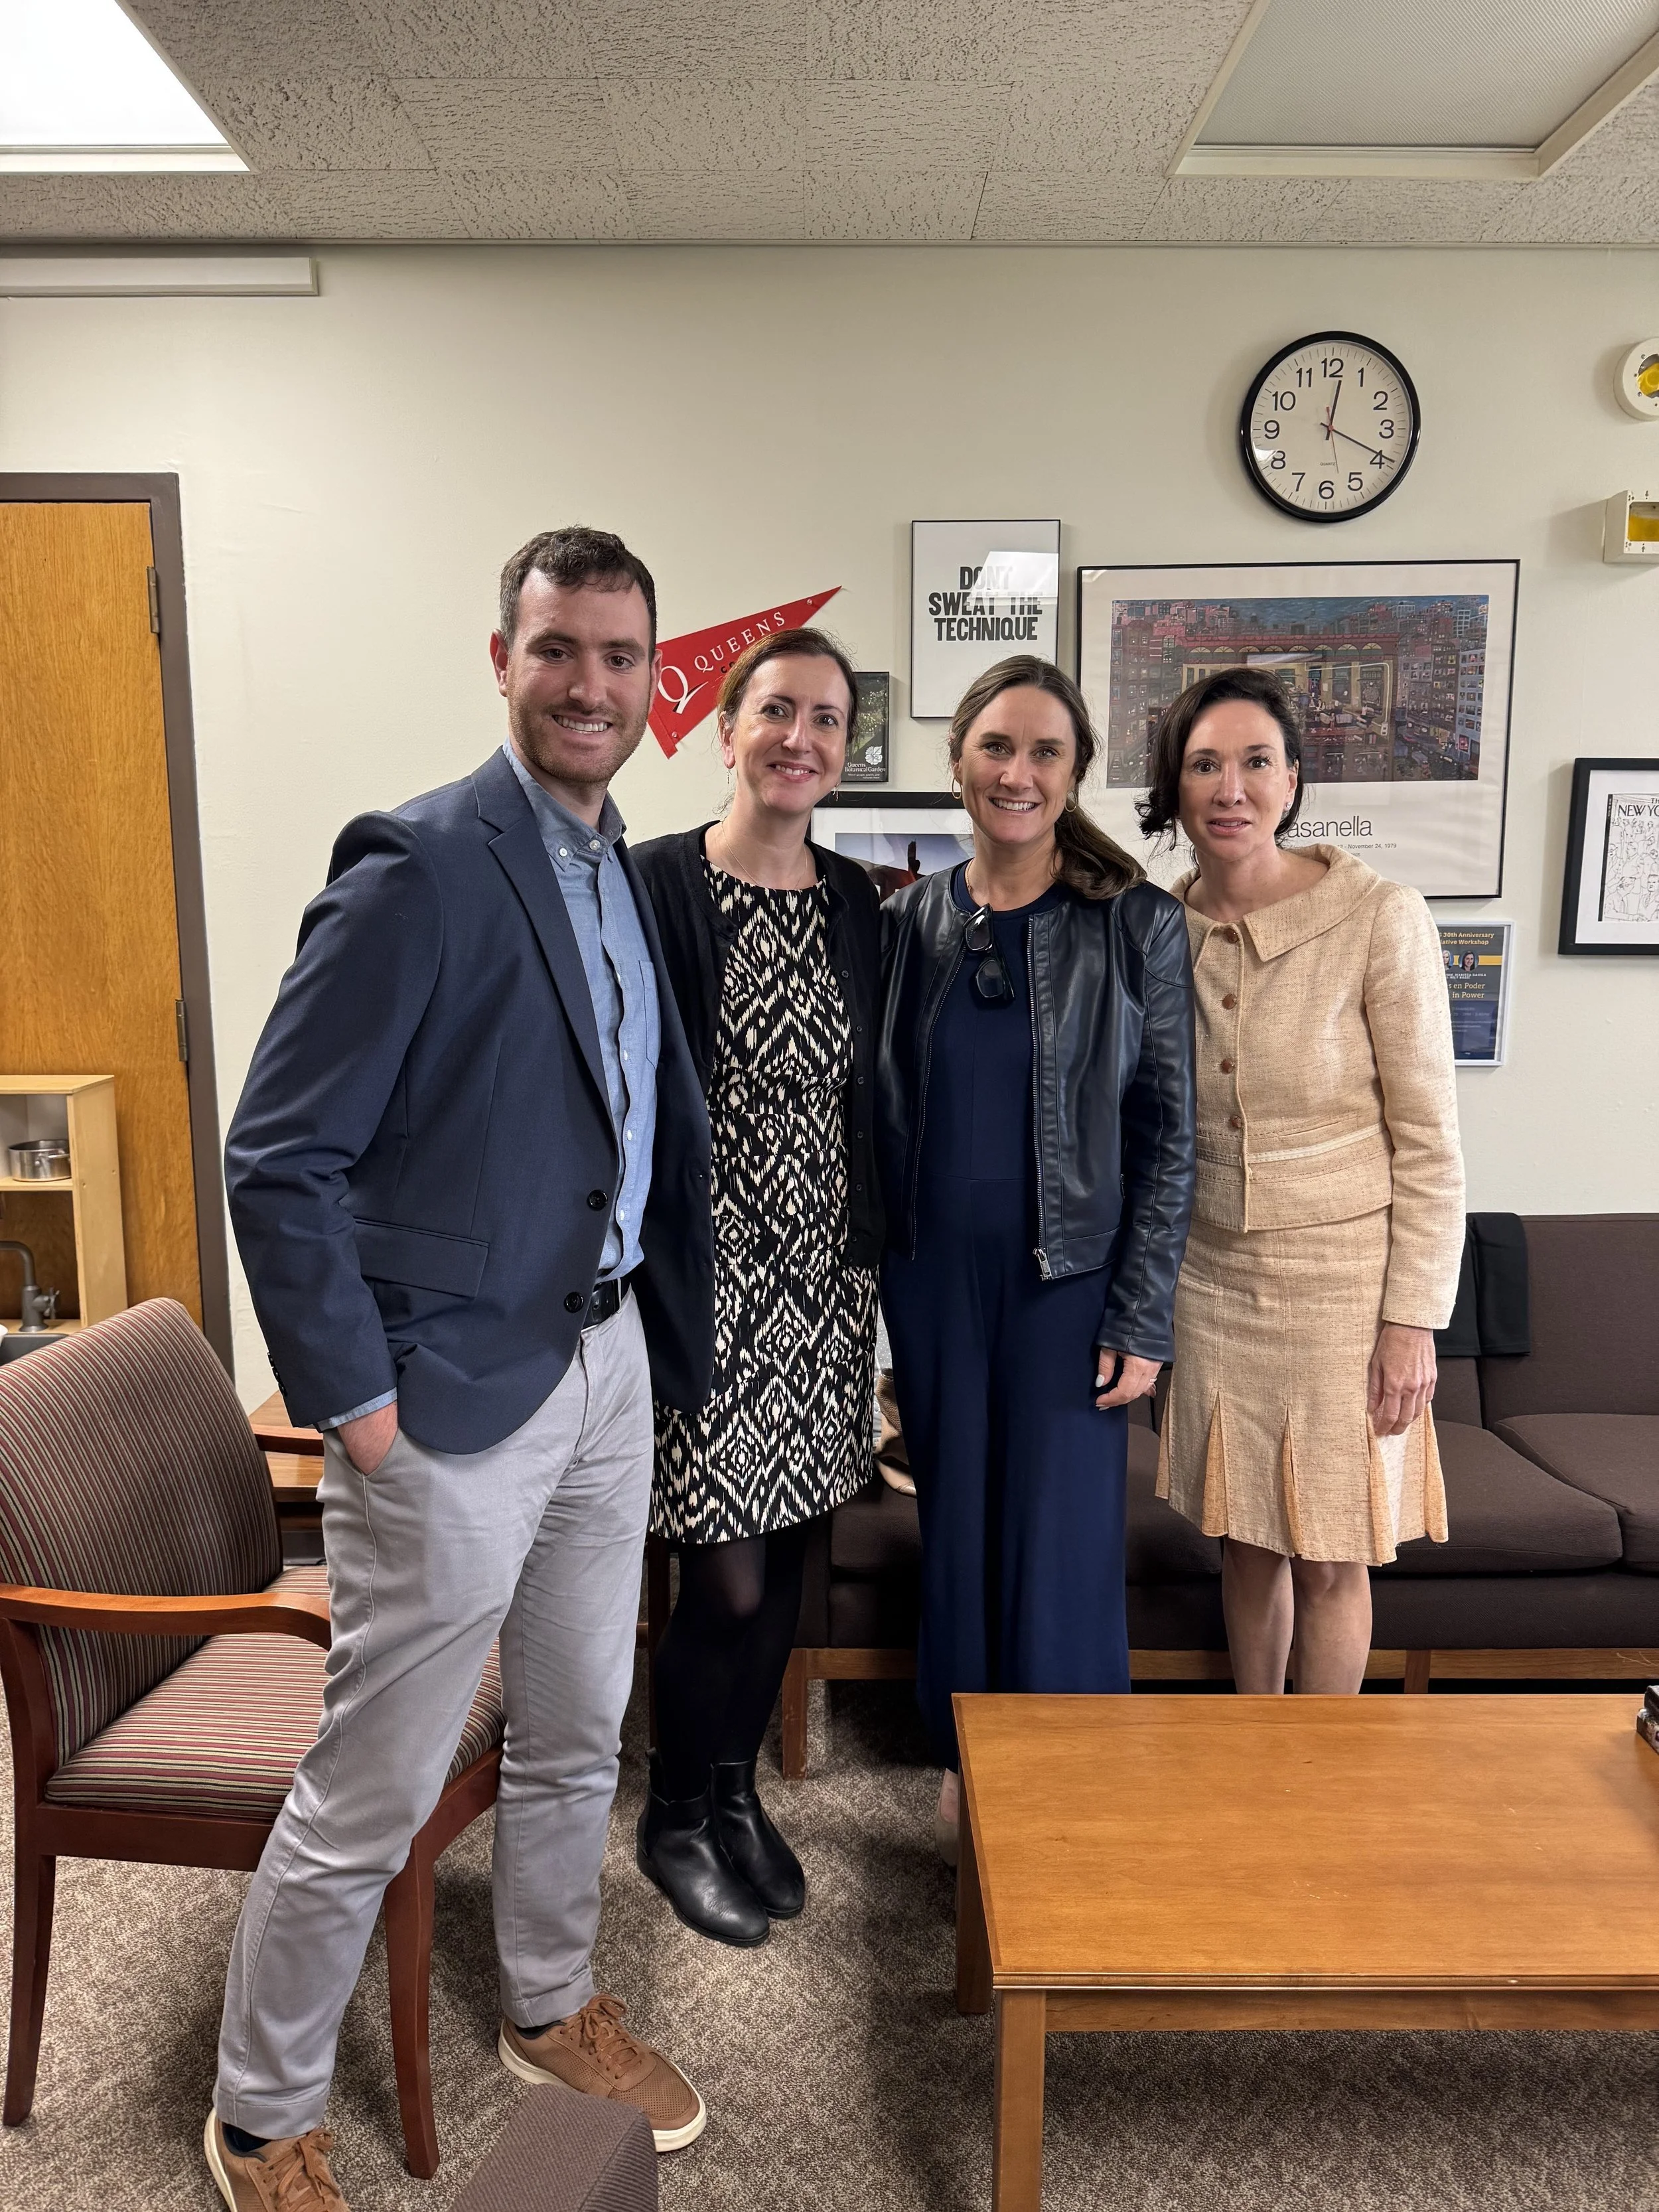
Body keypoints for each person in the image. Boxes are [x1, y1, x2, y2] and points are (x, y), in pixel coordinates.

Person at [210, 529, 714, 2212]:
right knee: (379, 1781)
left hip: (605, 1368)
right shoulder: (421, 864)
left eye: (622, 658)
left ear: (656, 680)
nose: (591, 686)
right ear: (499, 656)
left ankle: (550, 2001)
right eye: (559, 649)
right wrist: (355, 1400)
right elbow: (279, 1156)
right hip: (441, 1403)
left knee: (581, 1728)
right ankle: (262, 2110)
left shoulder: (617, 867)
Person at [877, 656, 1196, 1862]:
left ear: (1074, 775)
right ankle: (967, 1773)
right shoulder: (909, 920)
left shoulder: (1138, 925)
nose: (1019, 772)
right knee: (955, 1524)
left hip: (1071, 1279)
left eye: (1046, 752)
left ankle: (1068, 1788)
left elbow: (1171, 1135)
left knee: (1058, 1534)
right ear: (958, 760)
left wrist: (1145, 1309)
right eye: (997, 747)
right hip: (932, 1279)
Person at [630, 628, 882, 1945]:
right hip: (702, 1284)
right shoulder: (652, 884)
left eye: (826, 720)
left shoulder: (856, 902)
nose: (800, 738)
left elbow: (869, 1096)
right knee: (719, 1578)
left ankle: (732, 1794)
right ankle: (673, 1809)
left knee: (785, 1560)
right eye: (776, 710)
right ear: (724, 728)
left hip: (820, 1283)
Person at [1143, 665, 1464, 1694]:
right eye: (1204, 765)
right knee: (1244, 1536)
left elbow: (1430, 1141)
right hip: (1209, 1278)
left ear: (1291, 782)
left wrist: (1411, 1319)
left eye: (1254, 763)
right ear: (1176, 787)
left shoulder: (1379, 916)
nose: (1229, 787)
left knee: (1332, 1550)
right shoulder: (1157, 927)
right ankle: (1255, 1741)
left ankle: (1316, 1789)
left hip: (1343, 1285)